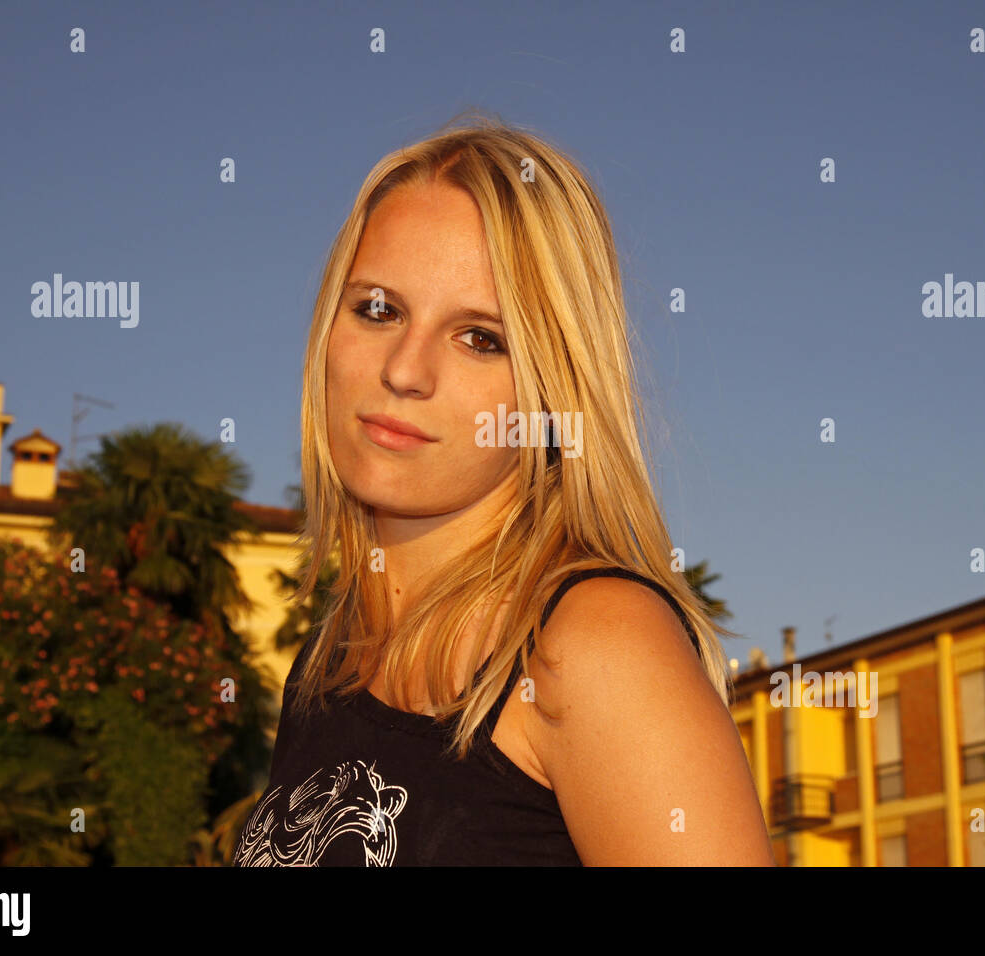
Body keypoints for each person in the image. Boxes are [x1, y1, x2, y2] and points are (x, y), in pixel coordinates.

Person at [232, 113, 775, 866]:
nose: (405, 370)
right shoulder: (327, 666)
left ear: (556, 389)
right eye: (378, 310)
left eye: (480, 338)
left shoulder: (592, 645)